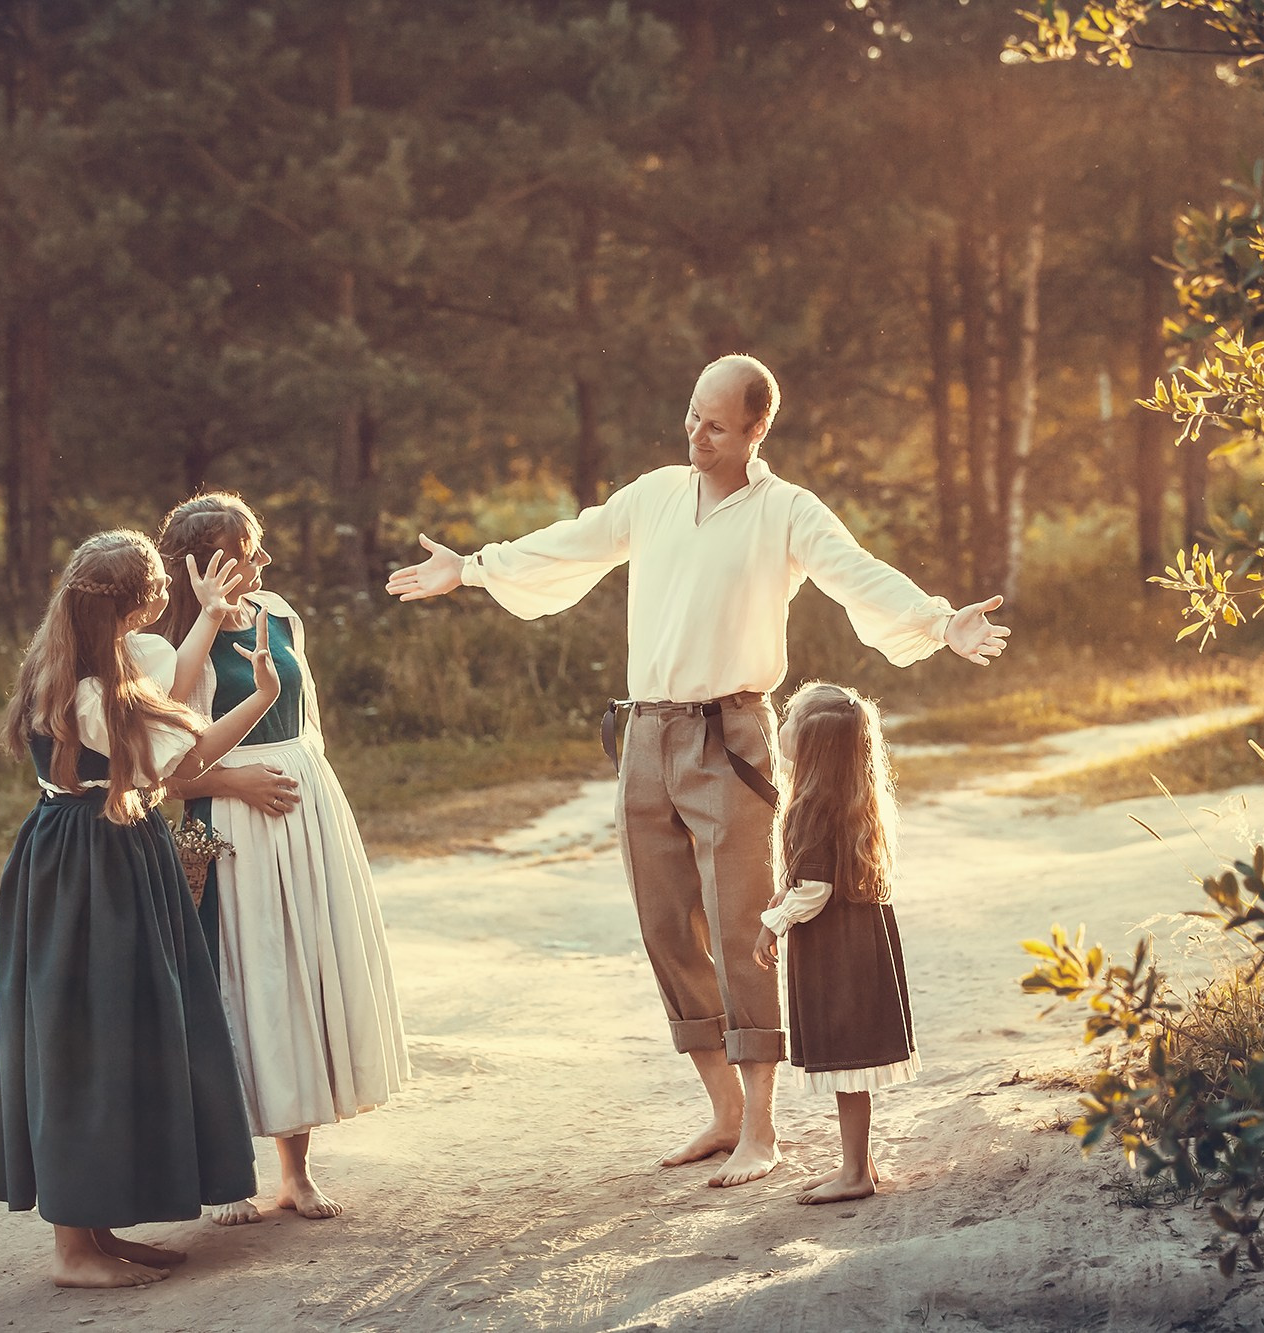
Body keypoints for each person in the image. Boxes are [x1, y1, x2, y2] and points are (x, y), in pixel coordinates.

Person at [385, 354, 1006, 1187]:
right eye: (691, 415)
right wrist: (471, 568)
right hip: (645, 734)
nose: (697, 433)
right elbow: (573, 542)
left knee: (743, 923)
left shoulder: (787, 511)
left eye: (716, 423)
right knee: (665, 925)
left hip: (733, 739)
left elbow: (855, 573)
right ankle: (722, 1111)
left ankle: (763, 1129)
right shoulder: (654, 495)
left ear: (756, 429)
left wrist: (939, 622)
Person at [0, 529, 281, 1288]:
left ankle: (98, 1228)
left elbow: (168, 687)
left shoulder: (79, 660)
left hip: (97, 851)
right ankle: (73, 1251)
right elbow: (186, 743)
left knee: (112, 1031)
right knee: (84, 1039)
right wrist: (259, 698)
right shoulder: (93, 693)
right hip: (92, 862)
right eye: (156, 596)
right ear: (136, 604)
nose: (163, 607)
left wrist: (209, 619)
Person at [154, 492, 410, 1226]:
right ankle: (230, 1172)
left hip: (304, 814)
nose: (263, 561)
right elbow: (165, 770)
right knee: (244, 978)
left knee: (302, 976)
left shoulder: (282, 612)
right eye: (248, 550)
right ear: (208, 565)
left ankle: (297, 1171)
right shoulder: (178, 648)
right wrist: (234, 781)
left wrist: (316, 801)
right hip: (231, 822)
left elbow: (309, 719)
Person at [752, 681, 914, 1205]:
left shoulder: (811, 808)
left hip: (838, 953)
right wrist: (785, 891)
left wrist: (773, 921)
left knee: (848, 1067)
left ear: (811, 746)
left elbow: (814, 892)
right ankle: (858, 1163)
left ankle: (854, 1174)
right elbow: (808, 874)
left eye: (790, 719)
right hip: (856, 944)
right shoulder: (845, 799)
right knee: (851, 1068)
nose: (783, 724)